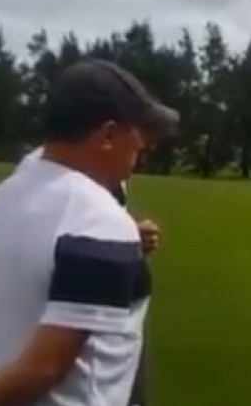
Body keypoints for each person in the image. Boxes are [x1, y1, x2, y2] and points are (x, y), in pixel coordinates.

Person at [0, 59, 178, 405]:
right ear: (108, 135)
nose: (141, 149)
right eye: (137, 135)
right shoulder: (98, 219)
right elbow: (42, 370)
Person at [13, 146, 163, 406]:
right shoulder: (45, 169)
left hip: (121, 309)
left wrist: (126, 236)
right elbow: (36, 232)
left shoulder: (100, 167)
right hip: (80, 308)